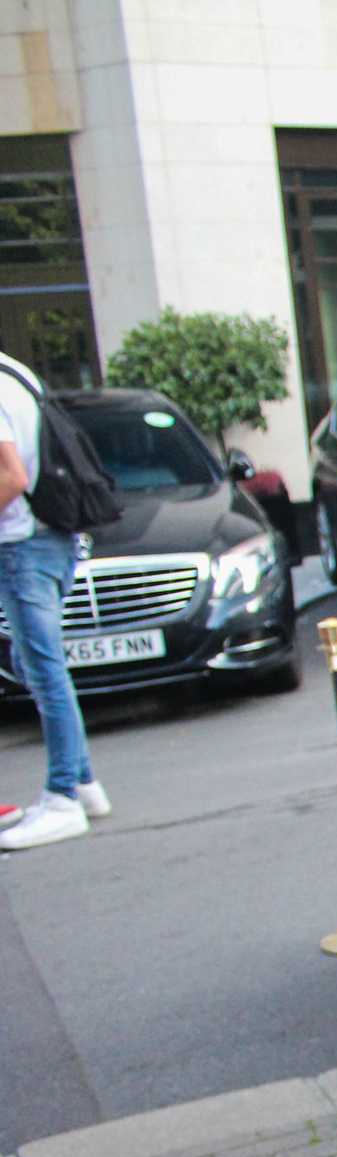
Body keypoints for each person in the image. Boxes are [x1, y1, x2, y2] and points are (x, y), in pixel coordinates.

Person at [0, 348, 107, 850]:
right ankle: (83, 783)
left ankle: (62, 797)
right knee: (31, 663)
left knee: (43, 669)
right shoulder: (14, 370)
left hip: (24, 545)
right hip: (50, 538)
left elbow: (13, 477)